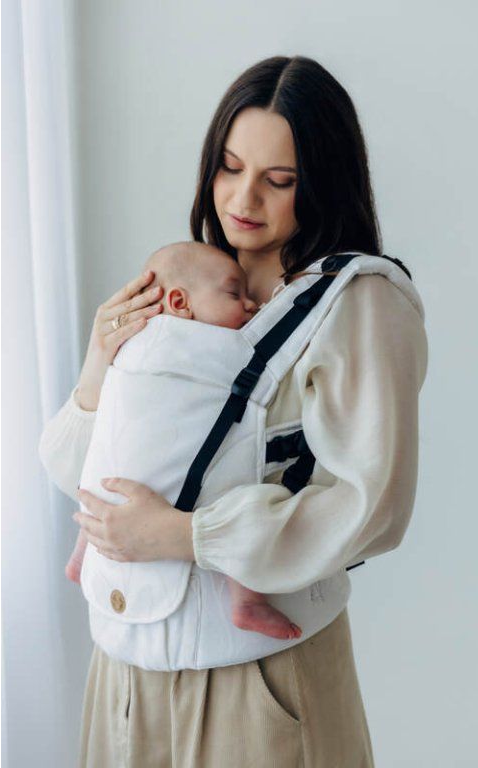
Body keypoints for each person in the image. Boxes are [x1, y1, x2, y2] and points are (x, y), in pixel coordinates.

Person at [38, 55, 428, 767]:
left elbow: (373, 508)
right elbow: (81, 472)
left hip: (257, 683)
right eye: (229, 167)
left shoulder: (357, 303)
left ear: (323, 181)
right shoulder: (189, 281)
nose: (243, 198)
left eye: (279, 180)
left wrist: (188, 535)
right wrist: (100, 359)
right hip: (122, 676)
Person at [66, 239, 303, 641]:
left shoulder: (131, 342)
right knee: (232, 490)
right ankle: (247, 600)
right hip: (159, 470)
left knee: (99, 487)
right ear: (179, 303)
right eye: (234, 294)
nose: (252, 306)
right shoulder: (209, 348)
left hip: (117, 466)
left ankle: (79, 559)